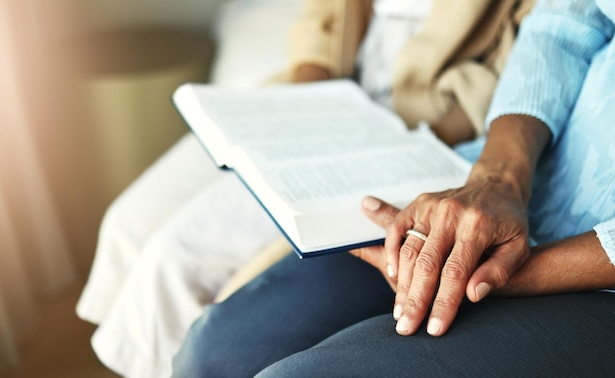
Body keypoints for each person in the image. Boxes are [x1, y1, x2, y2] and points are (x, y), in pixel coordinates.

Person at [76, 0, 530, 376]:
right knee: (126, 223)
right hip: (323, 103)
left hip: (416, 129)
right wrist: (308, 104)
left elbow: (516, 70)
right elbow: (322, 22)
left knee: (173, 262)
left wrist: (384, 137)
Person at [171, 0, 615, 376]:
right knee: (216, 352)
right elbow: (565, 21)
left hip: (594, 272)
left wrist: (513, 275)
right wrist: (499, 177)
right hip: (520, 178)